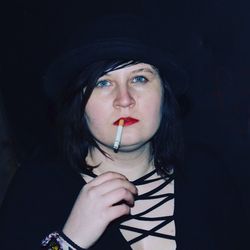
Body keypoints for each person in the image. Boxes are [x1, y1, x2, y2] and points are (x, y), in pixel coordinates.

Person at [0, 14, 241, 250]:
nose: (124, 100)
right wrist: (68, 242)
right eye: (103, 83)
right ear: (79, 105)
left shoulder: (207, 174)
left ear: (163, 95)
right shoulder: (37, 187)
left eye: (140, 79)